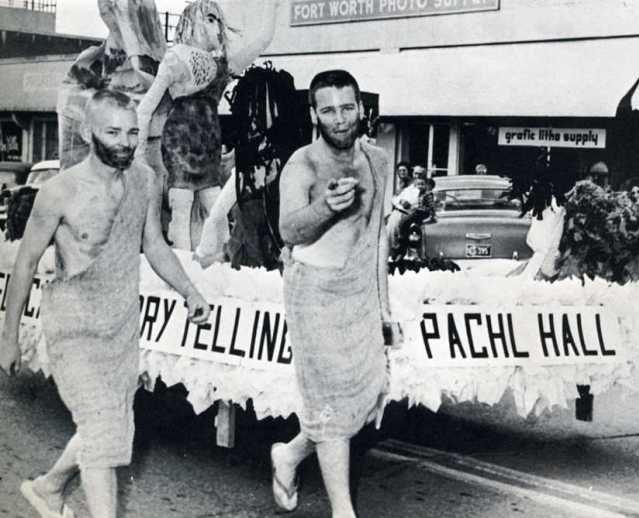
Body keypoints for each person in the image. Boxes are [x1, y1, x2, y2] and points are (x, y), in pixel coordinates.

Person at [0, 90, 210, 518]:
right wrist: (9, 338)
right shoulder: (59, 191)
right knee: (101, 429)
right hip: (73, 325)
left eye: (132, 132)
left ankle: (49, 488)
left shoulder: (145, 180)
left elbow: (154, 244)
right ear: (87, 132)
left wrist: (189, 291)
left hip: (120, 323)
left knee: (108, 427)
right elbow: (25, 265)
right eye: (113, 132)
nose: (125, 142)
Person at [273, 70, 393, 518]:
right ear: (314, 114)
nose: (340, 119)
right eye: (328, 110)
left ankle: (289, 455)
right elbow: (288, 230)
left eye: (347, 108)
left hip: (359, 294)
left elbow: (378, 238)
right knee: (331, 405)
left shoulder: (378, 161)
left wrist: (383, 309)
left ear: (361, 108)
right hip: (314, 295)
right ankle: (343, 511)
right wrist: (325, 207)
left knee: (363, 399)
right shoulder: (301, 164)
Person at [136, 0, 281, 250]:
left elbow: (261, 41)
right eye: (210, 19)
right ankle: (184, 263)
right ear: (192, 22)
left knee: (214, 207)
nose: (217, 27)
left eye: (218, 21)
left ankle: (215, 260)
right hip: (180, 142)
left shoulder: (221, 64)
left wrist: (272, 7)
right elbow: (146, 106)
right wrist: (138, 152)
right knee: (183, 205)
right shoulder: (175, 57)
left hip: (208, 145)